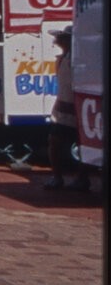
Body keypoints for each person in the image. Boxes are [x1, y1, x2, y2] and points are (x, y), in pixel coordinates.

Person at [44, 30, 92, 190]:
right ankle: (57, 177)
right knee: (54, 141)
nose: (58, 41)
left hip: (77, 107)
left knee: (82, 144)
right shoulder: (61, 59)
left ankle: (83, 179)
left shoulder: (80, 60)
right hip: (62, 107)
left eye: (63, 39)